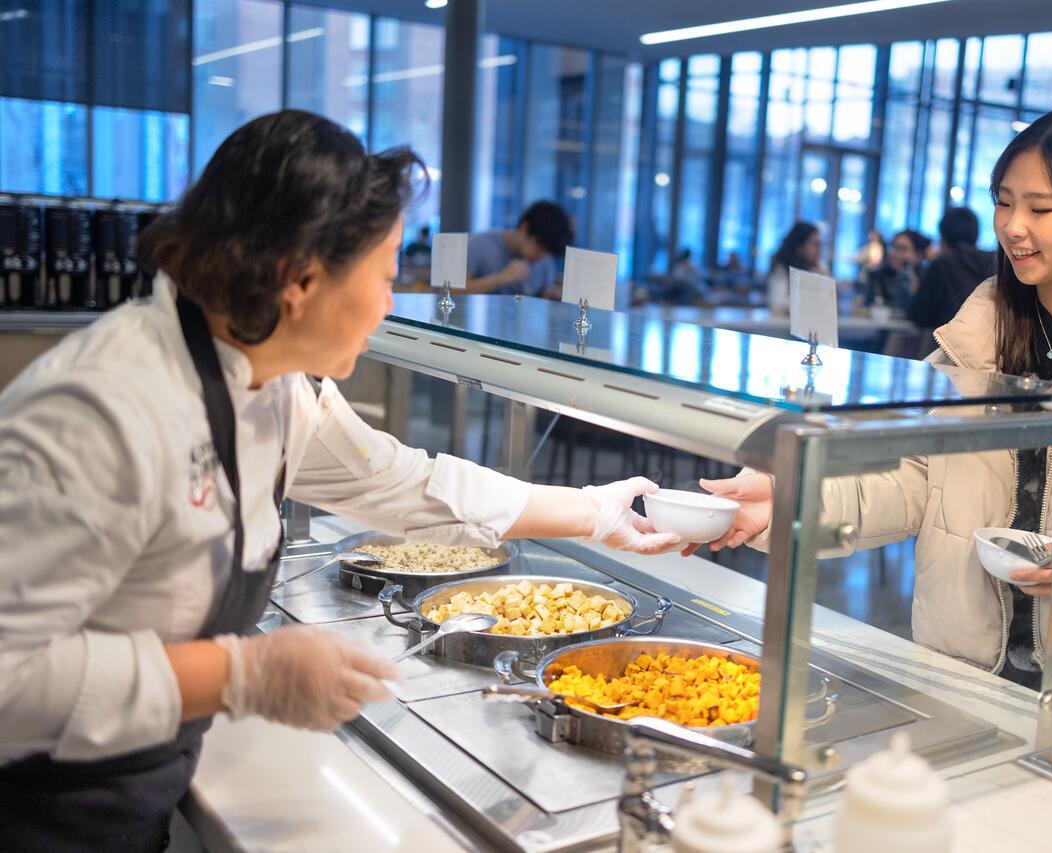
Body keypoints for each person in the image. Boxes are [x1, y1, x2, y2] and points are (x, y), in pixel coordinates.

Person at [0, 111, 679, 850]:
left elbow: (404, 482)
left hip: (133, 791)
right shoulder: (102, 409)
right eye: (385, 275)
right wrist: (240, 672)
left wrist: (589, 512)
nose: (390, 303)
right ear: (300, 278)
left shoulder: (281, 382)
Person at [690, 106, 1052, 750]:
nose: (1014, 227)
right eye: (1004, 203)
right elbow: (914, 473)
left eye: (1041, 208)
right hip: (974, 664)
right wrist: (790, 501)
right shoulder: (981, 335)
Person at [907, 207, 994, 334]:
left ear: (943, 237)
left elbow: (918, 316)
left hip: (950, 345)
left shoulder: (942, 263)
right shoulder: (993, 261)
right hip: (987, 343)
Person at [466, 200, 573, 297]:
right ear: (524, 227)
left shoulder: (545, 260)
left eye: (546, 252)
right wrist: (502, 278)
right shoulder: (480, 244)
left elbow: (544, 295)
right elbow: (454, 290)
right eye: (539, 247)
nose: (540, 256)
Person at [766, 222, 826, 314]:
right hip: (783, 325)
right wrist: (809, 286)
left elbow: (828, 304)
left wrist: (822, 283)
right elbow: (778, 303)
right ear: (799, 246)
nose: (819, 251)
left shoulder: (820, 267)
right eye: (814, 245)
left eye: (820, 245)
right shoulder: (781, 267)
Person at [862, 229, 930, 312]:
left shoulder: (926, 277)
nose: (895, 253)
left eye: (903, 249)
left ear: (918, 254)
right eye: (894, 247)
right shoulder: (876, 276)